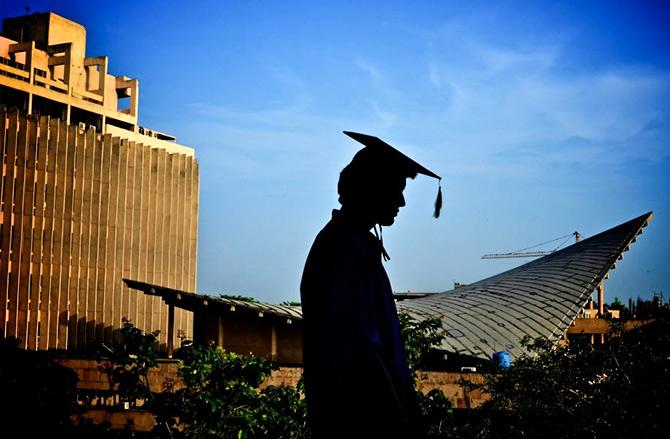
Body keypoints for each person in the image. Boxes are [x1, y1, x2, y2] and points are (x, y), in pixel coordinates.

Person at [300, 131, 442, 439]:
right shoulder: (343, 250)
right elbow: (361, 354)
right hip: (361, 421)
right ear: (371, 188)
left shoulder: (354, 244)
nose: (402, 201)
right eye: (397, 188)